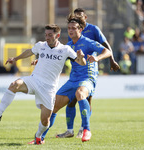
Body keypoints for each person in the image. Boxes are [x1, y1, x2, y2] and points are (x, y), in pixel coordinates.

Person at [0, 24, 86, 145]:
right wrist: (15, 58)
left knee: (45, 121)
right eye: (46, 35)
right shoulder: (41, 45)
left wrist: (81, 57)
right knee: (14, 85)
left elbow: (81, 63)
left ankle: (38, 137)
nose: (47, 37)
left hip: (49, 88)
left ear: (57, 36)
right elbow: (29, 52)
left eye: (50, 35)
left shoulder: (65, 49)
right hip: (34, 80)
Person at [31, 13, 112, 143]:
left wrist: (97, 58)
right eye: (69, 28)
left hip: (87, 79)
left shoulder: (88, 42)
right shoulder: (68, 46)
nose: (71, 30)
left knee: (80, 94)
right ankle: (40, 138)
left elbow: (107, 51)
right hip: (72, 80)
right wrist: (40, 61)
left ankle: (86, 129)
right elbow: (55, 57)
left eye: (74, 28)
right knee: (53, 106)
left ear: (80, 30)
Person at [57, 8, 120, 139]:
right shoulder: (72, 31)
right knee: (71, 101)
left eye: (80, 16)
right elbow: (71, 49)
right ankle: (70, 130)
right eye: (76, 16)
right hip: (76, 70)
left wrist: (111, 60)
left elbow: (105, 45)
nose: (78, 18)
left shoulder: (93, 29)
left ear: (85, 17)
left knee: (85, 97)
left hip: (90, 68)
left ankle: (84, 128)